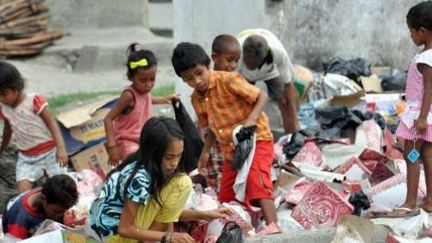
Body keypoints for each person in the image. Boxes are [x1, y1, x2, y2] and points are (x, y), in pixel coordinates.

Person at [171, 42, 278, 226]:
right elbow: (210, 128)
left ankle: (274, 227)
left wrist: (251, 119)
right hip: (232, 150)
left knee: (256, 180)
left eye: (199, 73)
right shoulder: (196, 99)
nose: (196, 81)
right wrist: (205, 153)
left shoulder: (228, 80)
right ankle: (237, 229)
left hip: (257, 139)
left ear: (208, 66)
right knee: (227, 195)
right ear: (183, 80)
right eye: (189, 78)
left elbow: (262, 96)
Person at [88, 117, 231, 243]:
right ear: (153, 153)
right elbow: (124, 229)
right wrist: (167, 236)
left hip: (122, 231)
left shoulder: (150, 167)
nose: (174, 163)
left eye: (178, 156)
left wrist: (205, 215)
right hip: (116, 238)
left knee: (179, 182)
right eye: (169, 157)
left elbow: (164, 210)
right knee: (182, 183)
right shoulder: (140, 178)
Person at [389, 1, 432, 217]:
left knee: (411, 155)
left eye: (411, 31)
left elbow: (429, 88)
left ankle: (410, 201)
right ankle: (430, 200)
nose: (411, 36)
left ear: (422, 31)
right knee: (427, 154)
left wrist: (422, 117)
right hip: (427, 114)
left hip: (419, 115)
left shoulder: (425, 58)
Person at [104, 43, 179, 166]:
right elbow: (108, 119)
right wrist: (112, 148)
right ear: (131, 77)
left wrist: (165, 99)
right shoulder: (128, 95)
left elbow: (147, 99)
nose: (149, 84)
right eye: (143, 80)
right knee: (139, 166)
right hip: (126, 143)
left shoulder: (144, 92)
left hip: (143, 141)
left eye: (152, 79)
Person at [0, 61, 68, 194]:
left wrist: (61, 148)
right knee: (22, 192)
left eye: (4, 93)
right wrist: (1, 148)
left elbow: (51, 123)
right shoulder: (4, 109)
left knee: (60, 187)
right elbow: (7, 130)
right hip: (26, 157)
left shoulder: (33, 101)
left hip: (49, 152)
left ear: (16, 86)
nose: (1, 98)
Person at [237, 28, 300, 134]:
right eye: (247, 62)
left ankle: (290, 136)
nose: (250, 66)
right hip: (244, 76)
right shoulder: (235, 52)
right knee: (243, 105)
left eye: (253, 64)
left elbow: (288, 85)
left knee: (284, 100)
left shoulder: (278, 53)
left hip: (271, 73)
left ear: (263, 57)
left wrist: (294, 119)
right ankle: (245, 136)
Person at [201, 34, 242, 190]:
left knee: (233, 174)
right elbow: (206, 116)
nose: (233, 65)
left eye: (236, 61)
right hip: (216, 139)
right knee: (218, 175)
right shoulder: (209, 82)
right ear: (215, 58)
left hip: (233, 138)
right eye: (229, 60)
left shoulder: (233, 80)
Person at [2, 174, 78, 239]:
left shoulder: (51, 193)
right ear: (43, 199)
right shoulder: (20, 218)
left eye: (65, 210)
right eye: (57, 211)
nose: (60, 215)